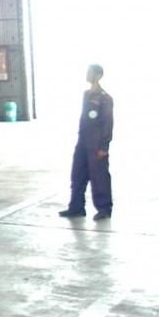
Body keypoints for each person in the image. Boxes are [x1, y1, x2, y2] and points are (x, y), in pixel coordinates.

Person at [59, 64, 113, 221]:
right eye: (87, 72)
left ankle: (104, 208)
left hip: (96, 143)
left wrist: (104, 146)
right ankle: (76, 207)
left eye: (90, 73)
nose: (87, 75)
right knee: (77, 174)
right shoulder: (86, 94)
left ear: (98, 75)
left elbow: (108, 123)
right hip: (83, 141)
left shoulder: (105, 98)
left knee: (99, 177)